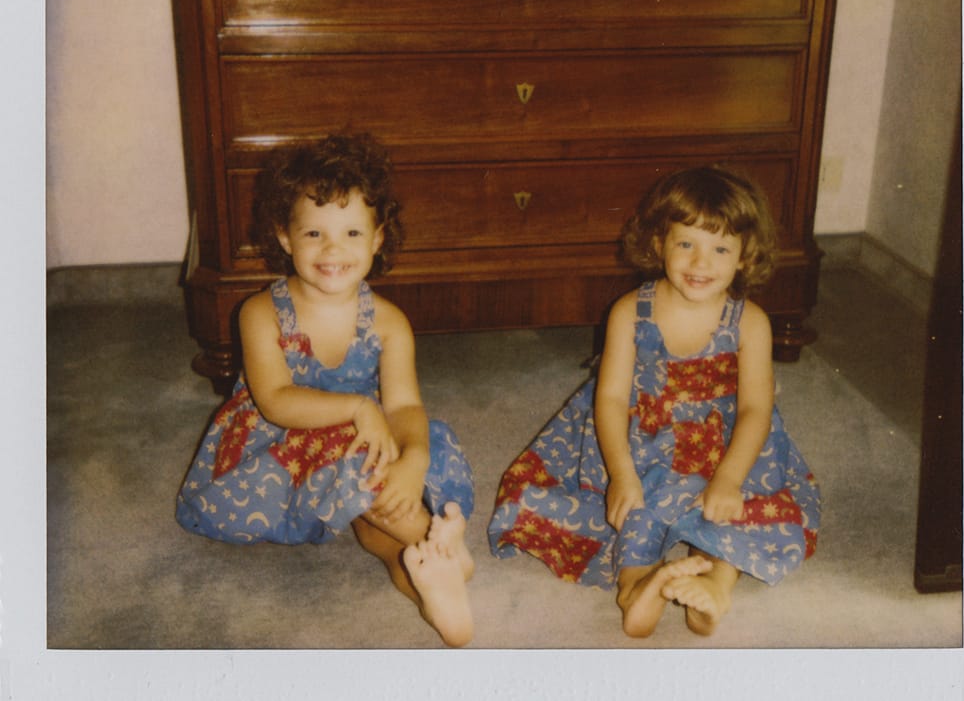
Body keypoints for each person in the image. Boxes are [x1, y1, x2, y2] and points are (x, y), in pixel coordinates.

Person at [488, 165, 820, 638]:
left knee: (731, 507)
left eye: (720, 249)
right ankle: (637, 587)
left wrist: (728, 478)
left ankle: (716, 583)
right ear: (660, 242)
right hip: (640, 439)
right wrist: (621, 474)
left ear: (745, 257)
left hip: (723, 444)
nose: (700, 263)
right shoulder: (629, 311)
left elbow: (755, 410)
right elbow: (609, 398)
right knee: (634, 508)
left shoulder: (751, 322)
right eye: (686, 244)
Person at [176, 133, 475, 647]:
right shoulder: (260, 313)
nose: (332, 249)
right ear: (285, 237)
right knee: (365, 470)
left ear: (377, 239)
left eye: (352, 232)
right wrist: (358, 408)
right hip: (283, 443)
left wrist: (414, 461)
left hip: (364, 442)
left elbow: (405, 405)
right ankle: (438, 541)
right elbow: (276, 400)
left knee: (379, 529)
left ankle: (429, 583)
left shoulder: (390, 322)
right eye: (314, 233)